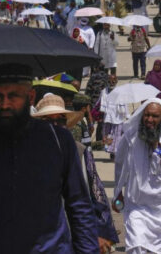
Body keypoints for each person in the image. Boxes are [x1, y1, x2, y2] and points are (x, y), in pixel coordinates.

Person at [0, 63, 99, 253]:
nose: (5, 104)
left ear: (30, 97)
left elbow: (79, 206)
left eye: (13, 96)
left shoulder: (58, 140)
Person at [32, 94, 121, 253]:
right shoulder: (28, 154)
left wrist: (101, 231)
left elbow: (96, 193)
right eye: (48, 120)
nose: (54, 125)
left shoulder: (79, 151)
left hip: (72, 232)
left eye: (59, 120)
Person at [113, 98, 161, 254]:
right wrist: (117, 192)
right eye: (147, 115)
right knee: (136, 246)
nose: (150, 120)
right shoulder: (130, 138)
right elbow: (119, 164)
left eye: (155, 116)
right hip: (137, 205)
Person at [99, 74, 129, 155]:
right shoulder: (104, 91)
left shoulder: (121, 91)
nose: (111, 82)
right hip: (108, 117)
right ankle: (110, 151)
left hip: (118, 117)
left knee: (117, 136)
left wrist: (127, 115)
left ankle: (115, 152)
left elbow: (125, 104)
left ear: (116, 81)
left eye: (113, 81)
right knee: (108, 135)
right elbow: (100, 103)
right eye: (110, 81)